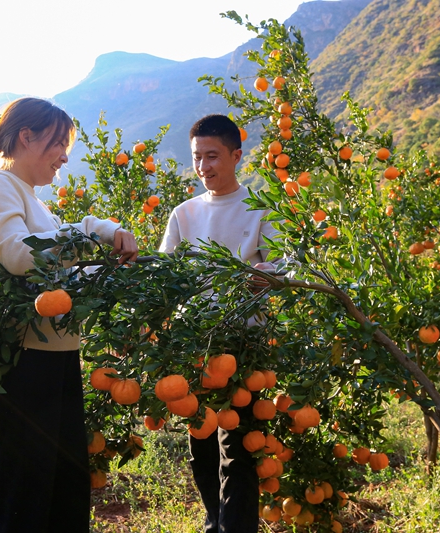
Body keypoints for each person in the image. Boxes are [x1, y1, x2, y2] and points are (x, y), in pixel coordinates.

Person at [0, 97, 138, 532]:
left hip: (55, 354)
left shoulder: (32, 199)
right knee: (18, 489)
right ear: (27, 136)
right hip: (21, 359)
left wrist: (107, 237)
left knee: (59, 485)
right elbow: (20, 255)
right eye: (59, 143)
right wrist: (87, 241)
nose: (65, 155)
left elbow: (62, 250)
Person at [159, 114, 279, 533]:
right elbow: (163, 275)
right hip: (197, 343)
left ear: (235, 156)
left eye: (212, 156)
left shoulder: (261, 208)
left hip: (246, 343)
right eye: (197, 158)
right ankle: (216, 521)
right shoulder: (184, 213)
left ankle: (238, 528)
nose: (204, 166)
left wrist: (268, 272)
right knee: (202, 443)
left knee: (241, 448)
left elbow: (285, 264)